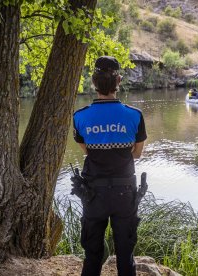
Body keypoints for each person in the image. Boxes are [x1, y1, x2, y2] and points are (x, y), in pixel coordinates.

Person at [72, 56, 147, 276]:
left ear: (94, 83)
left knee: (92, 255)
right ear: (119, 81)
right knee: (125, 255)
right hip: (125, 193)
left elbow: (87, 151)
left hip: (93, 194)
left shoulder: (80, 116)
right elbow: (137, 153)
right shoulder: (134, 115)